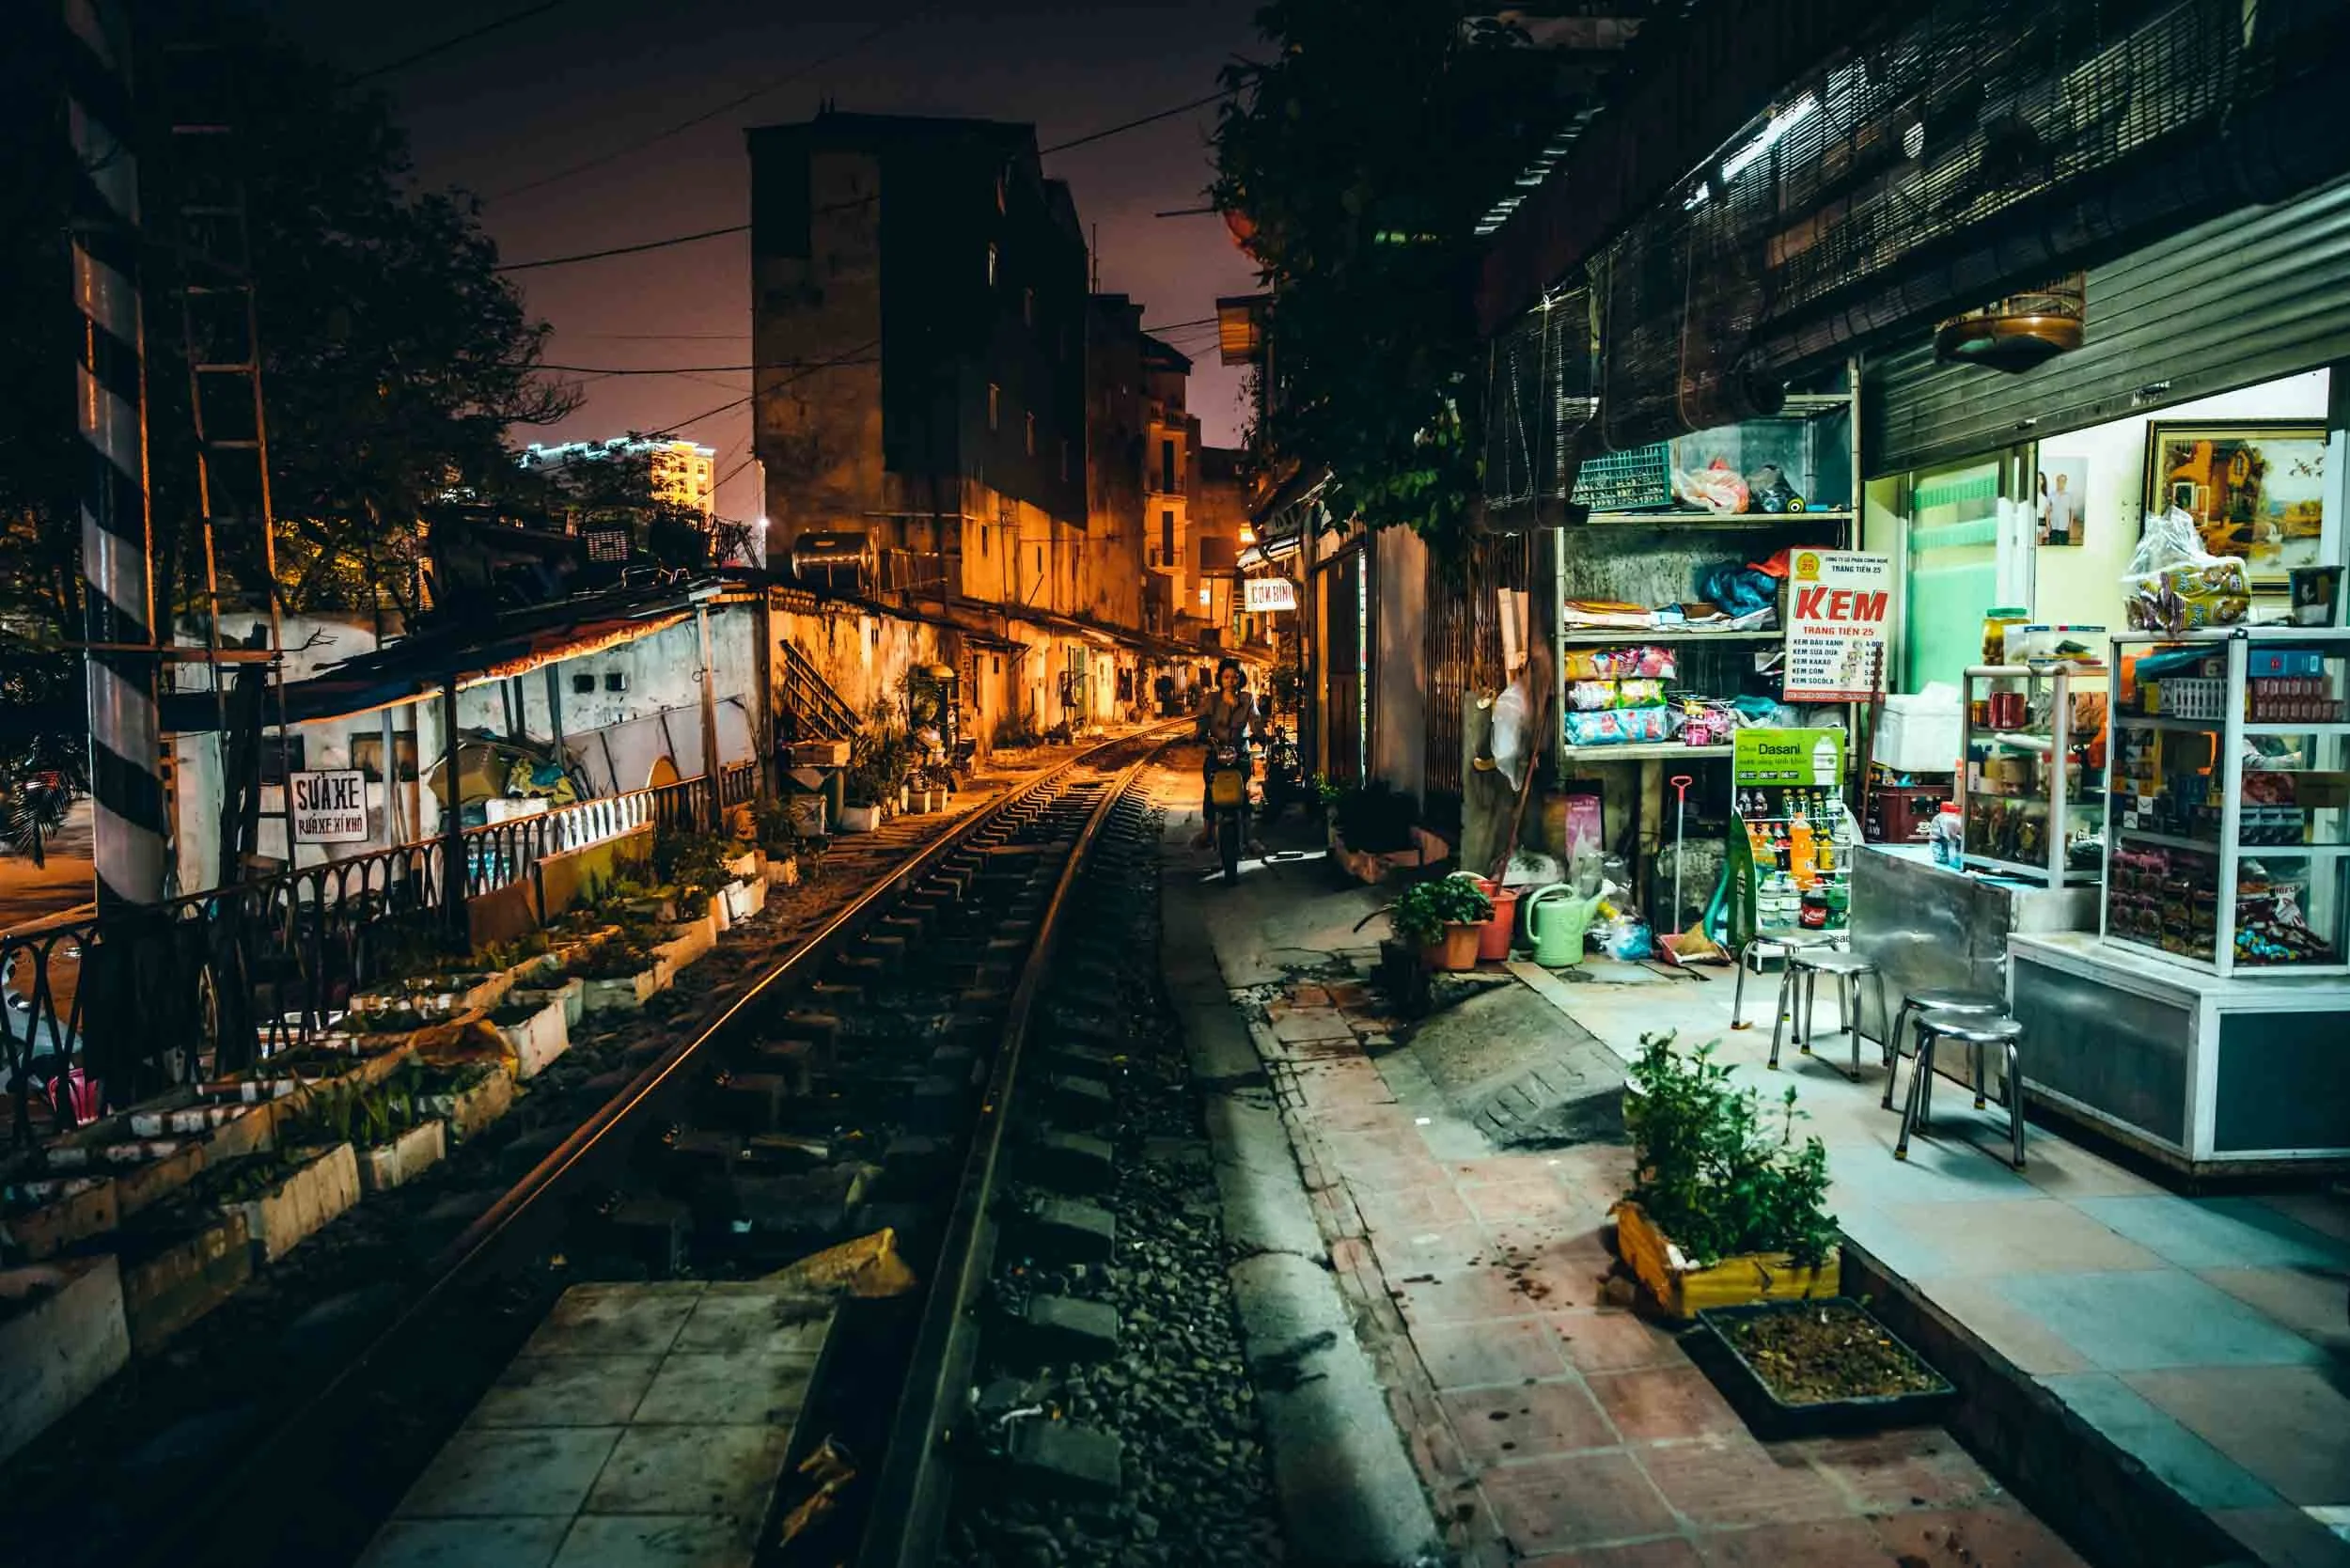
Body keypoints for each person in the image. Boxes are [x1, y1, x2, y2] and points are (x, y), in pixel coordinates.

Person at [1191, 659, 1261, 853]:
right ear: (1220, 679)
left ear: (1241, 679)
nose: (1230, 681)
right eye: (1226, 677)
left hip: (1240, 751)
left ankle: (1248, 837)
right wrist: (1198, 735)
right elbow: (1203, 720)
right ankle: (1207, 832)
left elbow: (1255, 720)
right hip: (1216, 750)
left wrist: (1261, 735)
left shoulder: (1247, 699)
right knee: (1210, 789)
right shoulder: (1211, 699)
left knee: (1244, 792)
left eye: (1235, 677)